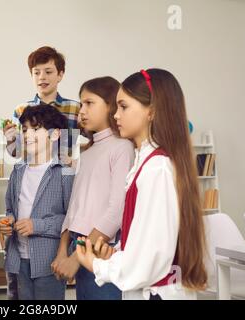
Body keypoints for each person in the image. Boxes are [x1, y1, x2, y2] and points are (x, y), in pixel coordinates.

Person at [76, 69, 208, 300]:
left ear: (152, 111)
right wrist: (115, 255)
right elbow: (145, 242)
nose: (116, 115)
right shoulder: (147, 163)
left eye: (124, 107)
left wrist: (98, 266)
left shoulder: (156, 169)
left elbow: (150, 259)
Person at [3, 46, 80, 299]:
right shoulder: (21, 110)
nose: (42, 77)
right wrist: (11, 140)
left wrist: (77, 159)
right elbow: (16, 152)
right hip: (30, 175)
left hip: (58, 180)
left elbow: (69, 218)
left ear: (60, 74)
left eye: (48, 71)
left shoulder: (75, 108)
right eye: (36, 72)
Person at [53, 77, 134, 300]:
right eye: (81, 104)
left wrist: (76, 257)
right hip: (80, 246)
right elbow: (74, 207)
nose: (82, 111)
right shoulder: (86, 152)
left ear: (110, 105)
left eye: (89, 103)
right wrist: (63, 250)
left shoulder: (122, 148)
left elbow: (117, 211)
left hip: (101, 250)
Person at [0, 104, 74, 300]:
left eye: (36, 128)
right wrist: (8, 222)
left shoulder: (64, 172)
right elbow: (10, 209)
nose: (27, 134)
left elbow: (71, 219)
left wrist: (37, 225)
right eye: (24, 130)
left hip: (48, 262)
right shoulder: (18, 170)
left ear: (56, 134)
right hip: (17, 260)